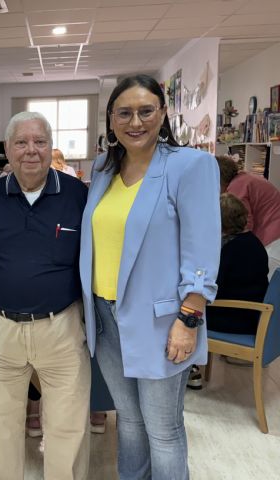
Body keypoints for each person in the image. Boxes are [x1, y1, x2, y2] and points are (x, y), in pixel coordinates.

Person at [80, 74, 220, 480]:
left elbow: (202, 249)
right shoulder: (104, 168)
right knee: (129, 420)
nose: (135, 122)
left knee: (163, 429)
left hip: (163, 322)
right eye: (124, 113)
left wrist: (189, 319)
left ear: (162, 114)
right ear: (110, 119)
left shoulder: (190, 166)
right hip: (106, 320)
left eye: (145, 111)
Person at [0, 111, 91, 480]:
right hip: (1, 332)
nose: (30, 150)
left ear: (52, 148)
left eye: (39, 142)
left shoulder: (77, 195)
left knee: (67, 430)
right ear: (7, 149)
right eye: (21, 142)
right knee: (2, 430)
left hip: (62, 328)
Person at [206, 193, 269, 335]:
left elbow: (214, 287)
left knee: (184, 314)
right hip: (251, 315)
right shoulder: (254, 242)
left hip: (236, 318)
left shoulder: (231, 249)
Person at [215, 154, 280, 278]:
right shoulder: (245, 178)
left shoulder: (238, 186)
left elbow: (241, 223)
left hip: (273, 237)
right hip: (274, 231)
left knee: (271, 283)